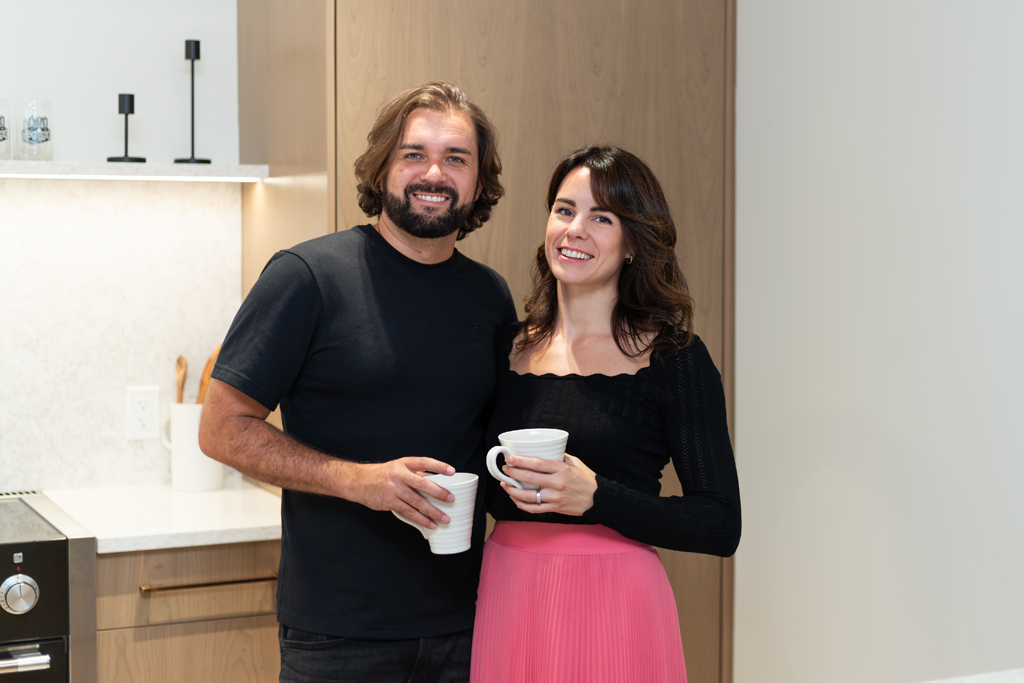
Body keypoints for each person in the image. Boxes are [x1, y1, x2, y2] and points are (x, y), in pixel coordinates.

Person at [198, 82, 517, 683]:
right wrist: (358, 481)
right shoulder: (307, 276)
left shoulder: (490, 295)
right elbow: (221, 430)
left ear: (478, 182)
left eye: (456, 158)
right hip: (337, 634)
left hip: (467, 622)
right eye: (414, 153)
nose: (434, 173)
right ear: (383, 168)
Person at [470, 145, 742, 683]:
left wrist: (597, 497)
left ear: (633, 243)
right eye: (565, 210)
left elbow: (719, 525)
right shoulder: (505, 348)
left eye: (602, 218)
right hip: (508, 592)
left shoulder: (675, 359)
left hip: (616, 602)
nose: (574, 230)